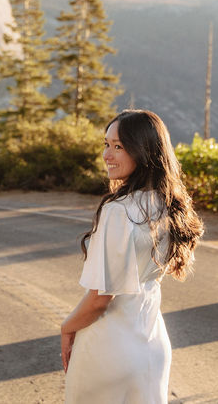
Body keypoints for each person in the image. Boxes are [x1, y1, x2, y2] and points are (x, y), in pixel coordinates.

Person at [61, 109, 204, 404]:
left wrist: (67, 327)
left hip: (108, 349)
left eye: (118, 146)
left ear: (143, 151)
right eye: (106, 144)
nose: (107, 155)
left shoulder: (119, 211)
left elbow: (101, 298)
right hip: (152, 345)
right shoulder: (167, 205)